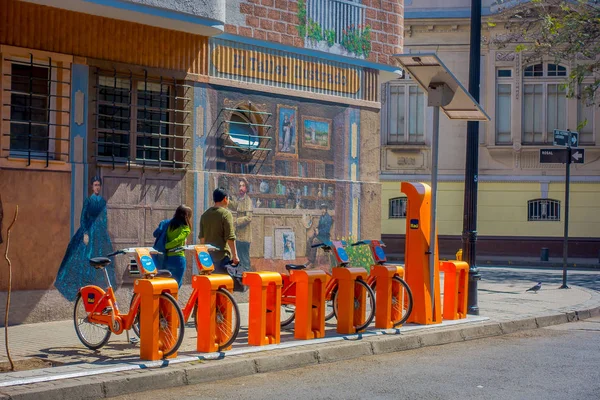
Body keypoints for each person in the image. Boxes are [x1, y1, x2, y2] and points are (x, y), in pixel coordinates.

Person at [55, 176, 115, 301]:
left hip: (100, 232)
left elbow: (104, 218)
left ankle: (100, 290)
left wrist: (104, 233)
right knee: (83, 259)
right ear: (92, 187)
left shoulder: (103, 202)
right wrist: (85, 233)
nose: (97, 187)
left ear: (100, 186)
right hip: (89, 230)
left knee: (102, 259)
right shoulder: (88, 201)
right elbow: (83, 218)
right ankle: (85, 288)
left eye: (98, 185)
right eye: (95, 185)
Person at [199, 188, 239, 275]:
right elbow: (230, 238)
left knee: (211, 285)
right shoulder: (226, 214)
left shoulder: (205, 215)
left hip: (208, 259)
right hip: (222, 257)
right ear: (225, 199)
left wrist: (203, 259)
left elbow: (202, 239)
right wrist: (235, 256)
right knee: (223, 285)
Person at [160, 205, 192, 287]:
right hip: (178, 259)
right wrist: (167, 246)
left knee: (166, 284)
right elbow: (178, 240)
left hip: (167, 258)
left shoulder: (168, 225)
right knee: (177, 284)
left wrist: (164, 247)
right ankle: (172, 300)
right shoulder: (185, 228)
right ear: (186, 216)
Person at [228, 178, 253, 273]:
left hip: (245, 237)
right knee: (238, 259)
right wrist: (227, 200)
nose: (241, 188)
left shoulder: (248, 201)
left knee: (244, 260)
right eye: (239, 186)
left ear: (246, 188)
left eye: (243, 186)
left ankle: (247, 280)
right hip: (238, 236)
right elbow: (235, 206)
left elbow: (248, 218)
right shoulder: (240, 200)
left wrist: (236, 221)